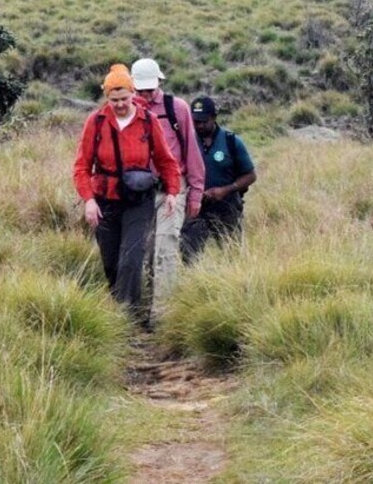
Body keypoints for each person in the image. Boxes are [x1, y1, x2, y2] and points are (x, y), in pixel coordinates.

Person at [73, 64, 181, 325]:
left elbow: (166, 160)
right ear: (106, 98)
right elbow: (81, 166)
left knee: (131, 260)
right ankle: (119, 307)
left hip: (137, 202)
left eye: (124, 99)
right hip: (105, 201)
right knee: (111, 264)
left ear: (133, 94)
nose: (120, 105)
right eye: (114, 100)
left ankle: (125, 321)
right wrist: (88, 200)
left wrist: (172, 192)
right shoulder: (96, 122)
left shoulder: (148, 121)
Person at [130, 58, 205, 315]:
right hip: (138, 193)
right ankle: (143, 308)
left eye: (149, 89)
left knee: (167, 246)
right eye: (140, 90)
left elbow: (192, 152)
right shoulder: (125, 110)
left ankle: (162, 316)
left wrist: (195, 193)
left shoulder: (177, 109)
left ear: (160, 82)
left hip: (172, 190)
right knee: (145, 250)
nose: (145, 94)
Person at [180, 96, 256, 263]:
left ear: (214, 117)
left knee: (232, 255)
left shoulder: (231, 141)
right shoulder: (186, 142)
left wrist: (225, 190)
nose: (199, 126)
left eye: (204, 121)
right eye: (195, 121)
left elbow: (250, 175)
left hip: (227, 207)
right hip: (195, 208)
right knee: (189, 256)